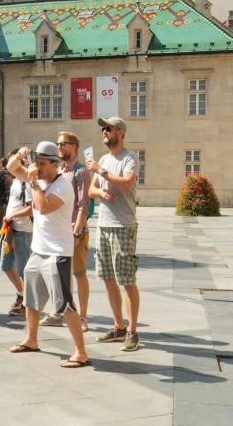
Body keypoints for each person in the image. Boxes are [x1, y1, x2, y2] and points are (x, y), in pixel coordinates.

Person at [7, 143, 90, 369]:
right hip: (39, 250)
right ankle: (31, 339)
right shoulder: (40, 178)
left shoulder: (63, 185)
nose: (38, 168)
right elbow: (12, 167)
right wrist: (20, 154)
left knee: (65, 304)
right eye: (37, 163)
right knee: (31, 299)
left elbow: (43, 207)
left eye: (43, 164)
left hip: (57, 253)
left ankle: (81, 352)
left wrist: (33, 181)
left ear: (56, 164)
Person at [86, 116, 141, 352]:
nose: (104, 132)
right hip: (104, 225)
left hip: (123, 225)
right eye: (102, 129)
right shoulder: (103, 159)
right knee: (108, 278)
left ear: (120, 131)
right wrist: (100, 192)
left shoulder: (130, 157)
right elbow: (91, 190)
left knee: (127, 280)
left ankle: (132, 331)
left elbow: (127, 183)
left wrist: (102, 171)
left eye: (107, 128)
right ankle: (118, 326)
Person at [40, 131, 92, 332]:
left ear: (74, 146)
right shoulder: (59, 170)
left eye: (63, 144)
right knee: (58, 274)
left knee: (79, 273)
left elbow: (83, 205)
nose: (59, 147)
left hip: (74, 231)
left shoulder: (80, 172)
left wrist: (77, 232)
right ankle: (58, 312)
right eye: (58, 143)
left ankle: (83, 317)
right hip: (57, 232)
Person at [0, 173, 33, 316]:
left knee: (24, 271)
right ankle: (22, 294)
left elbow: (32, 208)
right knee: (6, 265)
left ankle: (28, 304)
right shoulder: (15, 182)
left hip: (23, 231)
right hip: (10, 229)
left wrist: (12, 216)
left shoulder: (28, 182)